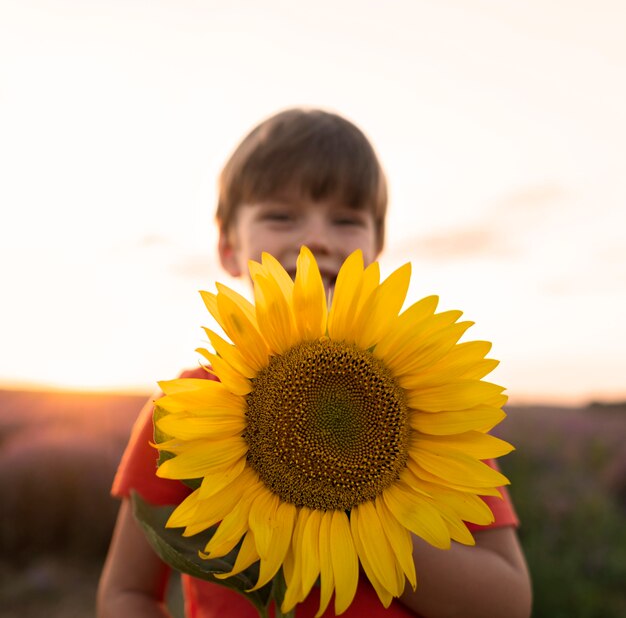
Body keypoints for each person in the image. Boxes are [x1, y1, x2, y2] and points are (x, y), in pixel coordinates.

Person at [97, 108, 532, 618]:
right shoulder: (186, 411)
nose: (317, 238)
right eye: (281, 216)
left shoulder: (430, 410)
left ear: (376, 249)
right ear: (228, 248)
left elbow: (506, 601)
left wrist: (362, 506)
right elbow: (127, 592)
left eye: (346, 220)